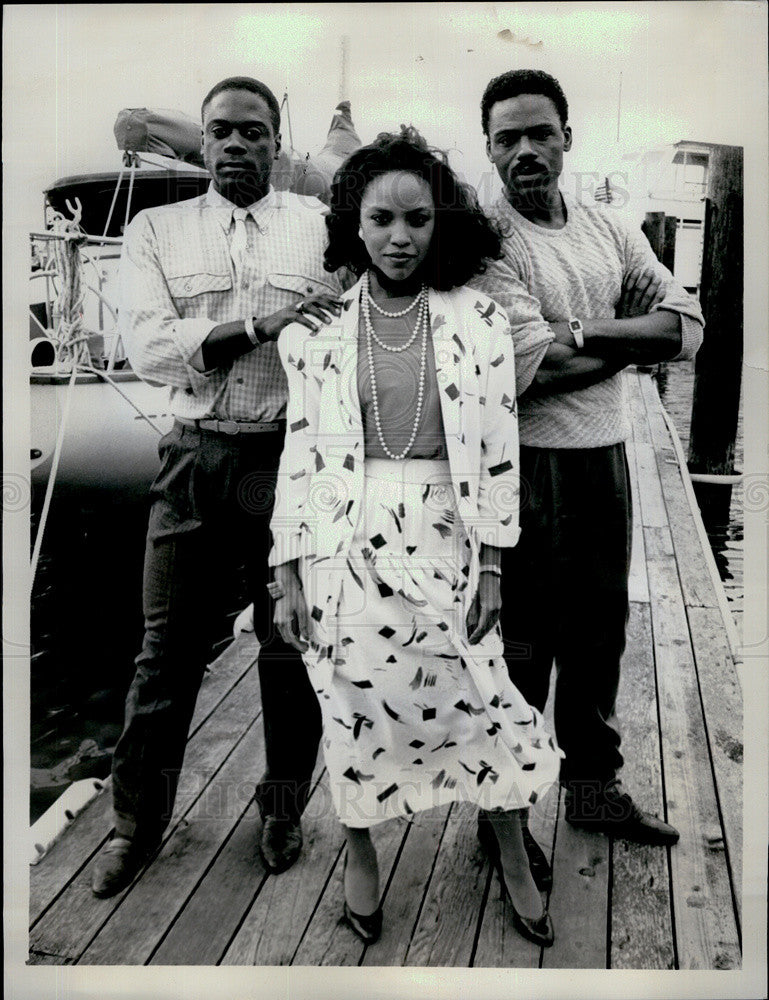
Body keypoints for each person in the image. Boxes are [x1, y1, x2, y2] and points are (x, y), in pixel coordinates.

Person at [269, 130, 563, 948]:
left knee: (485, 697)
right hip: (343, 541)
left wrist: (494, 566)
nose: (400, 236)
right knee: (351, 702)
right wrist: (286, 572)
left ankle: (507, 845)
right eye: (382, 219)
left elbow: (501, 447)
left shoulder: (480, 322)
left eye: (418, 219)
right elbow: (299, 454)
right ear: (353, 226)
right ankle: (360, 853)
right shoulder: (316, 335)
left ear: (441, 225)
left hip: (447, 534)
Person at [91, 77, 345, 897]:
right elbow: (150, 351)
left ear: (278, 144)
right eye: (222, 132)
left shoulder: (318, 229)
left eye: (254, 132)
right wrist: (260, 325)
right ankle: (136, 825)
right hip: (194, 458)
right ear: (202, 144)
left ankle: (280, 811)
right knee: (165, 652)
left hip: (289, 463)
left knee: (285, 647)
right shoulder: (155, 229)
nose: (237, 145)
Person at [471, 69, 704, 845]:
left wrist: (580, 332)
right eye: (508, 139)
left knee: (598, 633)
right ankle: (502, 816)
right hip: (524, 469)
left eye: (540, 133)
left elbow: (684, 325)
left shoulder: (610, 229)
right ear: (489, 150)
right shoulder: (486, 242)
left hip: (604, 458)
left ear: (567, 137)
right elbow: (528, 367)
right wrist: (616, 342)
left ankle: (591, 791)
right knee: (522, 645)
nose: (526, 151)